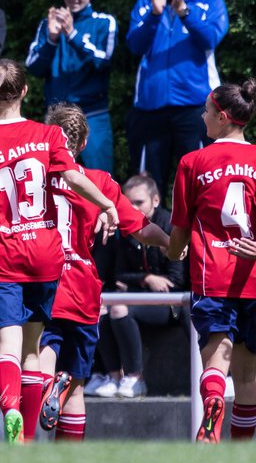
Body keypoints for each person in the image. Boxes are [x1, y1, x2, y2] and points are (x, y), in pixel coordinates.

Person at [0, 59, 120, 443]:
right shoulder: (48, 135)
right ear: (26, 91)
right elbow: (74, 177)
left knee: (5, 347)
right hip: (44, 255)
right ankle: (25, 437)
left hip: (1, 254)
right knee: (32, 349)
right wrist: (106, 204)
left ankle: (13, 418)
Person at [30, 105, 168, 442]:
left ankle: (48, 387)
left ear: (48, 136)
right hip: (81, 285)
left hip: (40, 279)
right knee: (77, 387)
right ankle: (70, 462)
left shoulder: (32, 178)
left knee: (39, 353)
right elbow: (141, 229)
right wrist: (172, 243)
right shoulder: (99, 182)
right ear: (85, 141)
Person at [165, 80, 256, 443]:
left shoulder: (193, 162)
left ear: (222, 117)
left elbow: (180, 231)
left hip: (212, 276)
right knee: (249, 376)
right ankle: (241, 451)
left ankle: (214, 402)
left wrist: (173, 253)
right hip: (253, 280)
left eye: (206, 111)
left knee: (217, 358)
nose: (202, 117)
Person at [126, 0, 230, 195]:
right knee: (148, 186)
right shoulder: (147, 2)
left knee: (200, 182)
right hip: (150, 109)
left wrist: (184, 10)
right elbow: (134, 46)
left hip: (196, 108)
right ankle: (150, 237)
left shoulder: (211, 1)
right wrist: (155, 14)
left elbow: (210, 39)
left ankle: (200, 236)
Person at [90, 174, 186, 398]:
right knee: (101, 309)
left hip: (171, 305)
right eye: (129, 202)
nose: (133, 208)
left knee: (118, 308)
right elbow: (119, 274)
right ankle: (112, 378)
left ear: (155, 200)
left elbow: (176, 281)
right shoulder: (124, 231)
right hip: (137, 298)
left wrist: (135, 282)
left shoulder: (171, 226)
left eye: (139, 202)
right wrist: (146, 279)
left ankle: (135, 378)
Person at [24, 0, 118, 172]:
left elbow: (103, 61)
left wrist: (73, 35)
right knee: (52, 179)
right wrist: (52, 40)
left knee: (100, 180)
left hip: (92, 115)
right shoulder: (47, 25)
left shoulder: (104, 23)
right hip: (56, 116)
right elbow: (33, 67)